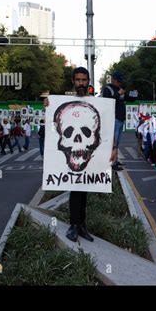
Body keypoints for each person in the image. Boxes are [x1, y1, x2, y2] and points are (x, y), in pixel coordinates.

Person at [44, 67, 117, 243]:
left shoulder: (98, 104)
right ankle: (74, 225)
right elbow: (52, 129)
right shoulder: (63, 101)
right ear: (73, 81)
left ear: (89, 81)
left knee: (84, 190)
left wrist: (114, 147)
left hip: (90, 158)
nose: (81, 83)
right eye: (78, 80)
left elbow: (107, 129)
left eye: (84, 80)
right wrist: (46, 105)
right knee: (75, 189)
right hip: (74, 158)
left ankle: (81, 225)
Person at [102, 71, 138, 171]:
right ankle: (112, 163)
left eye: (120, 82)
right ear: (113, 79)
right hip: (114, 119)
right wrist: (118, 94)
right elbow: (108, 102)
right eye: (118, 81)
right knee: (113, 142)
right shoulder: (108, 89)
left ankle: (115, 160)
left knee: (117, 142)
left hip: (121, 119)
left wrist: (134, 93)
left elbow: (129, 98)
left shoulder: (119, 89)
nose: (120, 83)